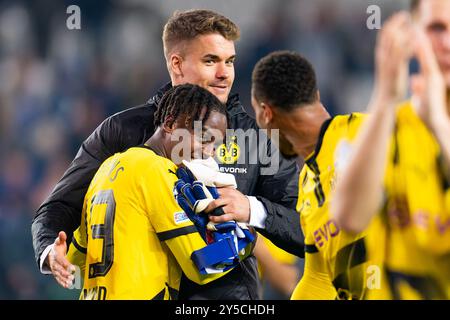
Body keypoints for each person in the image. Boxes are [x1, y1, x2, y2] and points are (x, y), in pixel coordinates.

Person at [31, 9, 303, 300]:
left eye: (230, 61)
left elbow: (306, 229)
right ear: (177, 65)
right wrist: (51, 250)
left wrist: (251, 208)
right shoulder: (122, 130)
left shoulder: (260, 139)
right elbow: (59, 207)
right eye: (210, 60)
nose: (224, 73)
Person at [67, 84, 250, 299]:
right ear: (171, 123)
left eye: (215, 145)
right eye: (204, 138)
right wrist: (246, 238)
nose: (208, 153)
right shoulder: (157, 170)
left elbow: (73, 263)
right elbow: (201, 265)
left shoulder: (106, 168)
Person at [332, 1, 450, 299]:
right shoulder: (380, 130)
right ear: (412, 36)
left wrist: (439, 123)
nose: (448, 43)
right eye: (437, 28)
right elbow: (349, 217)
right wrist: (385, 98)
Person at [250, 50, 380, 299]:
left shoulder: (368, 133)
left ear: (266, 113)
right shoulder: (307, 184)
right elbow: (318, 277)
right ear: (316, 96)